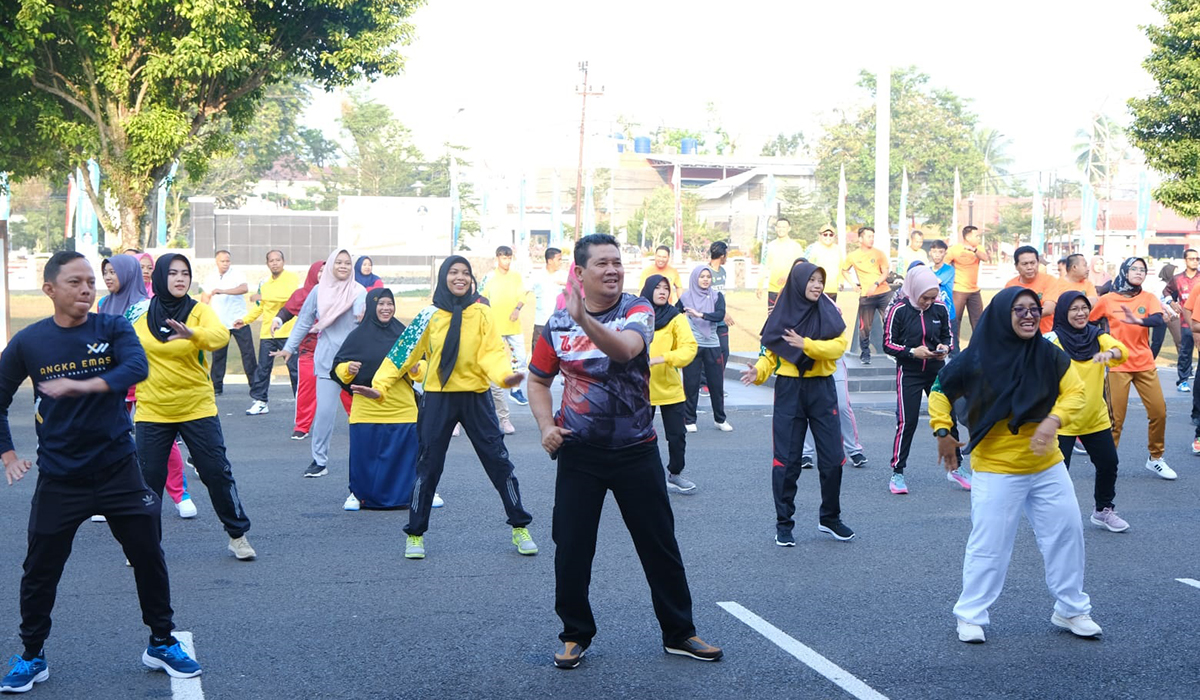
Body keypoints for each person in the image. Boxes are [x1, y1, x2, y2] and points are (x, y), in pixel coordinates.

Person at [0, 252, 202, 693]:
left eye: (91, 281)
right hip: (59, 478)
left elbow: (136, 367)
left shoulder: (111, 327)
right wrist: (7, 454)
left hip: (117, 471)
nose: (87, 289)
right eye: (75, 282)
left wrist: (84, 384)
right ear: (49, 289)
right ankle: (32, 655)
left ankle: (161, 642)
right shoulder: (30, 342)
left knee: (149, 557)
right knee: (39, 569)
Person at [527, 233, 722, 669]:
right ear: (579, 273)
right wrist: (544, 426)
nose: (613, 270)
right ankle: (574, 635)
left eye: (617, 262)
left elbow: (626, 350)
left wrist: (586, 320)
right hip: (579, 453)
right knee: (572, 547)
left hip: (636, 451)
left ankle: (679, 632)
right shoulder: (557, 325)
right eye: (602, 263)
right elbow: (537, 381)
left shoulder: (637, 309)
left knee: (659, 545)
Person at [930, 287, 1098, 644]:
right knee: (990, 544)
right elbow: (939, 390)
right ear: (1002, 315)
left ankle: (1070, 609)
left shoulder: (1049, 355)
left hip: (1048, 465)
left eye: (1034, 310)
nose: (1028, 316)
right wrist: (942, 430)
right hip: (996, 468)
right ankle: (971, 615)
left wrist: (1054, 420)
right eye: (1019, 310)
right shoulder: (976, 358)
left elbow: (1076, 392)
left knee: (1067, 534)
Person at [366, 256, 535, 560]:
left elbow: (493, 352)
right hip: (438, 398)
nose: (460, 277)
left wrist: (504, 376)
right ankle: (415, 534)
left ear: (472, 279)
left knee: (499, 462)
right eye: (454, 272)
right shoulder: (428, 315)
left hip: (476, 397)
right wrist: (380, 385)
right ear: (444, 277)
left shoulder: (481, 312)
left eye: (465, 273)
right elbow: (402, 353)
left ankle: (520, 526)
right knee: (428, 467)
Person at [129, 253, 257, 560]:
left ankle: (237, 535)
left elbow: (220, 336)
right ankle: (144, 545)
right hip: (153, 410)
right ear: (161, 277)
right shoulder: (140, 314)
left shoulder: (199, 311)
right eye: (172, 273)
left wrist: (192, 333)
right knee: (148, 481)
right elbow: (121, 347)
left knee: (216, 471)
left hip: (196, 406)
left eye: (185, 273)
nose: (179, 278)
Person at [742, 261, 855, 545]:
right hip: (790, 389)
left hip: (821, 387)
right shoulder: (780, 316)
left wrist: (807, 345)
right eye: (812, 280)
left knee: (832, 459)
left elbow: (839, 346)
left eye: (820, 280)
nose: (817, 286)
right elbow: (771, 355)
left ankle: (830, 519)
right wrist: (758, 372)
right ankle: (784, 524)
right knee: (787, 461)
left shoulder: (828, 312)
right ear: (797, 283)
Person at [100, 255, 195, 519]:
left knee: (164, 444)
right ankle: (108, 498)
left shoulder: (146, 306)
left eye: (113, 272)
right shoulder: (103, 304)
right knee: (110, 442)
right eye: (105, 272)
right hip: (111, 385)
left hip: (145, 385)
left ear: (126, 274)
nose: (108, 277)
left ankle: (180, 494)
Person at [276, 249, 365, 478]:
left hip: (356, 362)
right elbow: (304, 321)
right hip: (327, 361)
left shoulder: (358, 291)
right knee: (324, 413)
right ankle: (319, 460)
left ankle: (370, 458)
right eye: (339, 262)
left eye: (347, 263)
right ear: (332, 266)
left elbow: (362, 320)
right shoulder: (318, 291)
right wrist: (289, 348)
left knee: (364, 414)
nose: (343, 266)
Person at [1046, 291, 1130, 532]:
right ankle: (1052, 518)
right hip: (1061, 421)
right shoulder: (1052, 340)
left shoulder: (1097, 336)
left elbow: (1120, 350)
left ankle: (1103, 510)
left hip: (1095, 418)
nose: (1081, 313)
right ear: (1063, 312)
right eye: (1074, 309)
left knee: (1108, 463)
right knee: (1057, 475)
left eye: (1084, 307)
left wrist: (1109, 353)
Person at [882, 265, 968, 494]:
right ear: (913, 290)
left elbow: (948, 338)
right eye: (924, 298)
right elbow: (888, 344)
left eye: (932, 297)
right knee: (907, 421)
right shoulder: (898, 310)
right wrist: (912, 352)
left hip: (936, 370)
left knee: (948, 418)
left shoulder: (939, 307)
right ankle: (897, 473)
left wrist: (943, 348)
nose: (928, 302)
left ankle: (956, 468)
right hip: (909, 372)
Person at [333, 289, 421, 510]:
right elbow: (337, 368)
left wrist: (417, 369)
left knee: (405, 456)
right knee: (365, 455)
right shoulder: (357, 336)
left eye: (390, 304)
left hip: (401, 407)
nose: (386, 308)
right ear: (372, 306)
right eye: (381, 304)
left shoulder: (405, 335)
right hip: (367, 407)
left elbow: (425, 364)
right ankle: (357, 493)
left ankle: (414, 492)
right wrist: (348, 369)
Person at [1089, 258, 1174, 480]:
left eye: (1143, 270)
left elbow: (1157, 320)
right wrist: (1099, 345)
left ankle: (1155, 458)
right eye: (1134, 269)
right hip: (1118, 365)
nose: (1139, 272)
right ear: (1124, 271)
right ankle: (1107, 463)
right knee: (1115, 420)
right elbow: (1089, 325)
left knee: (1159, 412)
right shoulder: (1107, 300)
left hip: (1144, 363)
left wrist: (1137, 320)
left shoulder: (1148, 297)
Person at [640, 274, 698, 493]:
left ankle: (675, 474)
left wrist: (663, 358)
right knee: (640, 437)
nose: (663, 291)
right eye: (658, 288)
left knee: (677, 436)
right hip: (640, 388)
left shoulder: (676, 317)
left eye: (666, 288)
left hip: (670, 387)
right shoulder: (637, 315)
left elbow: (689, 348)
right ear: (648, 290)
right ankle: (643, 476)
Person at [238, 250, 299, 415]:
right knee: (263, 369)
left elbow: (288, 298)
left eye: (277, 260)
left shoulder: (291, 278)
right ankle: (260, 401)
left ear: (283, 262)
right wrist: (244, 320)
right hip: (268, 334)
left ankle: (301, 403)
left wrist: (263, 295)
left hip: (288, 331)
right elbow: (260, 307)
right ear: (267, 264)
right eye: (271, 260)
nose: (274, 263)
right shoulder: (264, 283)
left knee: (294, 369)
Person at [273, 261, 324, 440]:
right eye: (320, 272)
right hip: (309, 351)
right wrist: (277, 321)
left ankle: (357, 420)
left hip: (334, 352)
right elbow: (286, 312)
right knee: (306, 390)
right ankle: (302, 426)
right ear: (313, 273)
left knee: (348, 389)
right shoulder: (302, 294)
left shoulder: (340, 293)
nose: (323, 275)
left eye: (327, 272)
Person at [677, 266, 731, 433]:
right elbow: (673, 313)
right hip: (692, 345)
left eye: (708, 276)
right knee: (691, 384)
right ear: (695, 278)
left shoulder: (716, 296)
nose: (706, 279)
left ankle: (720, 419)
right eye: (702, 277)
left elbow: (720, 314)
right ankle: (689, 420)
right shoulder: (686, 297)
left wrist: (700, 315)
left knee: (716, 384)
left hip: (713, 345)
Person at [480, 246, 530, 422]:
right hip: (495, 327)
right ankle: (492, 391)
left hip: (513, 325)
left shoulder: (516, 277)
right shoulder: (490, 278)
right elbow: (481, 299)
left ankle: (516, 389)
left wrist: (517, 309)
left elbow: (522, 296)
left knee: (521, 358)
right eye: (504, 258)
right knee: (496, 360)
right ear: (497, 258)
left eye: (509, 258)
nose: (507, 262)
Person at [201, 250, 256, 396]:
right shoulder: (211, 276)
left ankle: (255, 387)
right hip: (219, 323)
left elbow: (244, 288)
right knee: (218, 356)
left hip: (239, 321)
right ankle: (216, 387)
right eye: (222, 261)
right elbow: (205, 297)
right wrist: (204, 314)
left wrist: (223, 291)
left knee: (248, 354)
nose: (226, 264)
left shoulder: (236, 273)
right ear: (216, 262)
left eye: (228, 261)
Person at [841, 226, 892, 364]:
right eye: (868, 236)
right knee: (864, 326)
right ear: (861, 238)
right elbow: (844, 270)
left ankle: (893, 350)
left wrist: (876, 284)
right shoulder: (853, 256)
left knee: (890, 320)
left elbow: (885, 272)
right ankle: (865, 353)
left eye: (873, 236)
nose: (871, 239)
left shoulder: (879, 254)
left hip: (883, 293)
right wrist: (853, 285)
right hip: (866, 296)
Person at [946, 226, 990, 348]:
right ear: (968, 237)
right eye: (976, 236)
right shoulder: (955, 249)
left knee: (978, 321)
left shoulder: (978, 249)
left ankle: (979, 348)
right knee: (955, 321)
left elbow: (986, 258)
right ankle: (954, 349)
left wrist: (974, 250)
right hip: (958, 290)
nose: (978, 238)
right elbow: (944, 264)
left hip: (974, 291)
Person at [1004, 245, 1057, 334]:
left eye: (1032, 263)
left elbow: (1049, 309)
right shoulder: (1010, 286)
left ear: (1038, 263)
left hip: (1045, 334)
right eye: (1025, 264)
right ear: (1016, 266)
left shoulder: (1049, 280)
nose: (1029, 267)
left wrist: (1024, 316)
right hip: (1019, 334)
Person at [759, 218, 805, 311]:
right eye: (779, 227)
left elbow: (801, 267)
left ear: (789, 228)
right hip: (774, 290)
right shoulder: (770, 246)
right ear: (776, 228)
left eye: (784, 227)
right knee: (772, 320)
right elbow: (764, 266)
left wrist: (789, 276)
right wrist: (759, 285)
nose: (781, 229)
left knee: (790, 321)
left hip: (791, 290)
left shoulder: (795, 246)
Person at [1171, 250, 1200, 391]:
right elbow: (1166, 292)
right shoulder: (1177, 279)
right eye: (1192, 259)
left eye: (1197, 258)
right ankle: (1183, 380)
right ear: (1185, 261)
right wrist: (1171, 302)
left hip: (1199, 322)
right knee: (1185, 351)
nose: (1195, 261)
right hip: (1186, 322)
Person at [530, 247, 566, 356]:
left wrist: (565, 284)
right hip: (541, 321)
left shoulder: (565, 275)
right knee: (538, 353)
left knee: (557, 353)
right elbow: (524, 291)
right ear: (550, 261)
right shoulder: (537, 275)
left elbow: (577, 289)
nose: (561, 262)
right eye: (559, 259)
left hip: (559, 322)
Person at [804, 226, 843, 300]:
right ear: (820, 235)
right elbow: (804, 266)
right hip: (815, 289)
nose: (828, 237)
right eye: (825, 234)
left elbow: (840, 267)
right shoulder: (812, 248)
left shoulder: (837, 249)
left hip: (832, 290)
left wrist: (841, 282)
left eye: (830, 235)